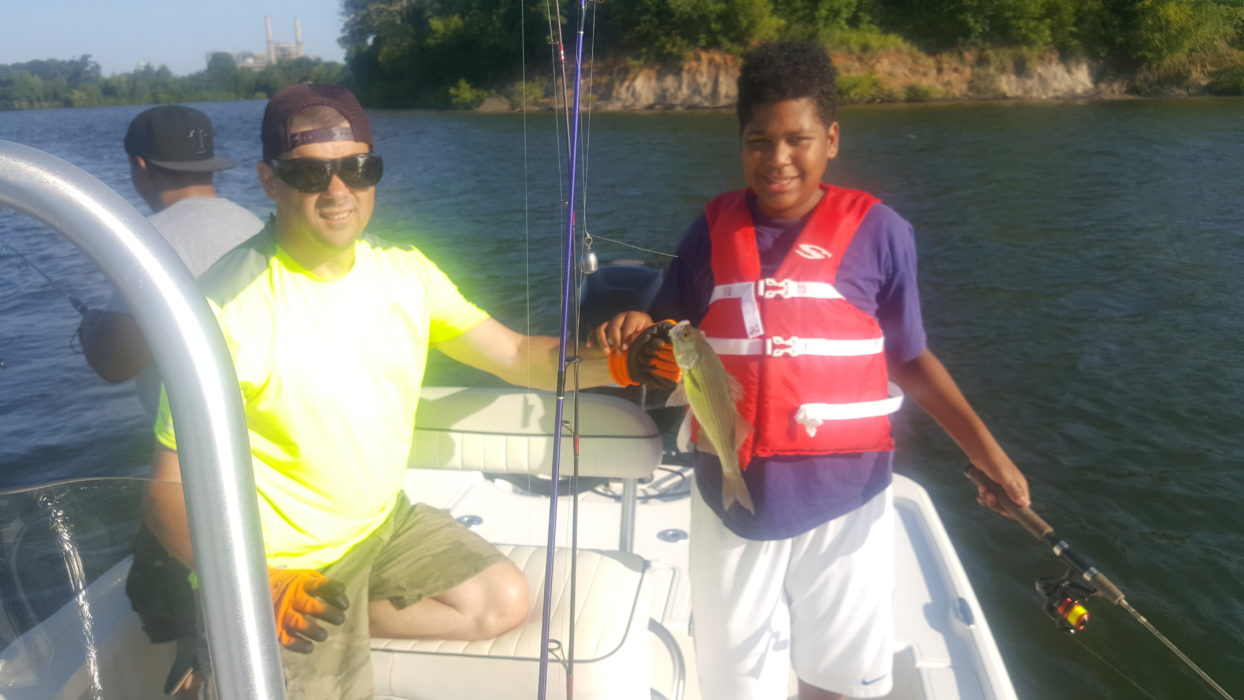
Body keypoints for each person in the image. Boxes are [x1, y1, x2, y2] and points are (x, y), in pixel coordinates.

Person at [129, 84, 618, 699]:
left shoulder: (407, 273)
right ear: (268, 180)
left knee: (502, 599)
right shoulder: (224, 311)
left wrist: (620, 364)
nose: (338, 190)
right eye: (309, 173)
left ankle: (340, 610)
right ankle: (226, 632)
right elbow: (165, 494)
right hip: (279, 564)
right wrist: (256, 583)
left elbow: (521, 357)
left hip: (380, 525)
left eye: (359, 168)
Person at [593, 41, 1031, 700]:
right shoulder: (708, 232)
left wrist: (985, 452)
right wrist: (634, 327)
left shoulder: (882, 233)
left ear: (831, 139)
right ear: (740, 143)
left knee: (840, 678)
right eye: (758, 141)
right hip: (731, 494)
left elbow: (909, 356)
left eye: (797, 139)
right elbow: (664, 331)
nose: (777, 159)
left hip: (848, 496)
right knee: (740, 683)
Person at [78, 105, 264, 418]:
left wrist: (91, 330)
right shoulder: (254, 225)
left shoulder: (145, 241)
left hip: (195, 437)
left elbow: (117, 364)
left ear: (140, 165)